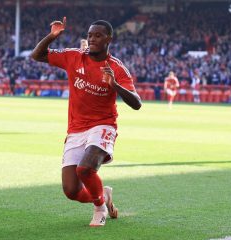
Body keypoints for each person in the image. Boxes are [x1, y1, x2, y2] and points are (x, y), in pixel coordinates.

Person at [31, 17, 141, 227]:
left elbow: (137, 103)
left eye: (97, 36)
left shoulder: (116, 68)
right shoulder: (74, 56)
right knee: (71, 190)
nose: (91, 39)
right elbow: (37, 55)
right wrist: (52, 37)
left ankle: (99, 209)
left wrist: (115, 85)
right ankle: (103, 195)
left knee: (85, 169)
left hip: (103, 125)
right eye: (89, 35)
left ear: (109, 39)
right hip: (76, 129)